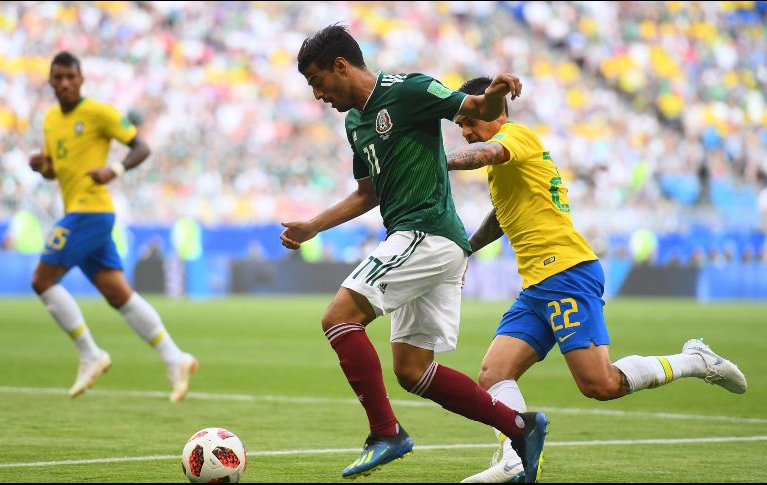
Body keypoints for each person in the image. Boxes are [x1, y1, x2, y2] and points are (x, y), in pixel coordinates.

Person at [446, 76, 748, 483]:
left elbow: (486, 152)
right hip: (539, 283)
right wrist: (466, 247)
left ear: (493, 111)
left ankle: (695, 360)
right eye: (459, 125)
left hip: (566, 273)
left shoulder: (516, 137)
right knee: (494, 374)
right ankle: (516, 459)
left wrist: (434, 159)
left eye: (467, 121)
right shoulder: (508, 166)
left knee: (600, 384)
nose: (464, 130)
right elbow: (503, 216)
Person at [280, 24, 548, 482]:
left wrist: (497, 89)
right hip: (428, 244)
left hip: (426, 232)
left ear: (341, 66)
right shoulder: (355, 123)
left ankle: (386, 433)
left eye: (316, 81)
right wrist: (312, 227)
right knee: (412, 369)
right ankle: (520, 427)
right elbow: (368, 193)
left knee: (337, 318)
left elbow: (478, 107)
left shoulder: (410, 90)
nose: (317, 94)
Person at [29, 52, 197, 402]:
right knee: (119, 294)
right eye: (57, 77)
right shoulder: (48, 120)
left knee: (42, 280)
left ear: (81, 79)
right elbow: (55, 169)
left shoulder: (99, 113)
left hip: (91, 212)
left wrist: (114, 171)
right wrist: (42, 166)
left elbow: (141, 147)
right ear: (50, 81)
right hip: (80, 211)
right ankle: (175, 357)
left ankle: (90, 353)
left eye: (70, 77)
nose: (64, 83)